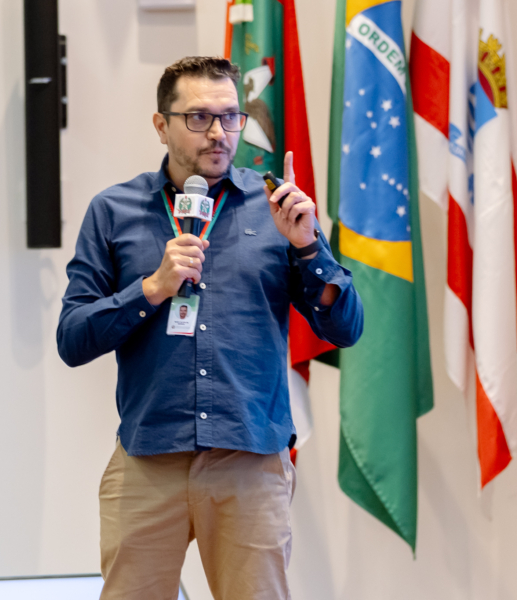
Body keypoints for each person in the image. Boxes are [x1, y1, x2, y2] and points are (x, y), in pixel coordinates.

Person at [57, 56, 363, 600]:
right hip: (148, 460)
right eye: (199, 118)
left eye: (230, 117)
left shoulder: (276, 207)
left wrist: (308, 248)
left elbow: (345, 328)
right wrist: (151, 289)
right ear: (161, 125)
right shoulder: (114, 210)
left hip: (250, 462)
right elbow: (73, 338)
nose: (219, 133)